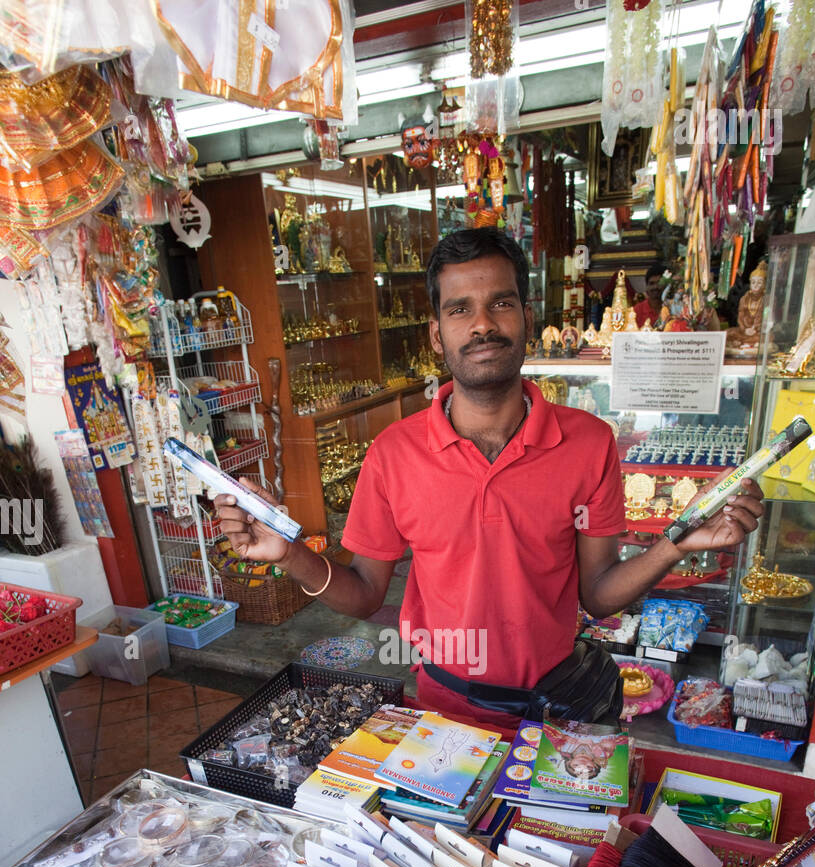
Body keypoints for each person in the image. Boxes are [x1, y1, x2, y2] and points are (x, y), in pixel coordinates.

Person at [214, 228, 762, 728]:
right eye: (460, 309)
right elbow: (362, 595)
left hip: (559, 709)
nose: (482, 324)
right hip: (445, 709)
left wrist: (674, 545)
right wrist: (288, 553)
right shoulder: (393, 454)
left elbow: (597, 596)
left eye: (500, 303)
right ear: (436, 334)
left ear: (526, 315)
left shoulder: (589, 443)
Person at [634, 261, 665, 328]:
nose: (655, 287)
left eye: (659, 283)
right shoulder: (637, 311)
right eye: (651, 283)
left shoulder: (673, 308)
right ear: (646, 287)